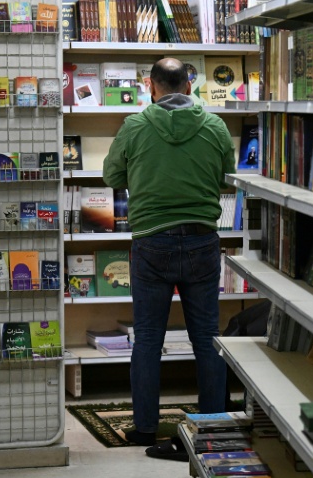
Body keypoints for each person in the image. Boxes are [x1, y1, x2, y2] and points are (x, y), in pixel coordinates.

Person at [102, 58, 236, 453]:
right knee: (207, 338)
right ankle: (210, 426)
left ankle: (145, 429)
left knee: (146, 339)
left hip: (151, 241)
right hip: (201, 241)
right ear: (190, 85)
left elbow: (112, 177)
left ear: (150, 86)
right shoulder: (214, 126)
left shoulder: (135, 125)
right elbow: (227, 176)